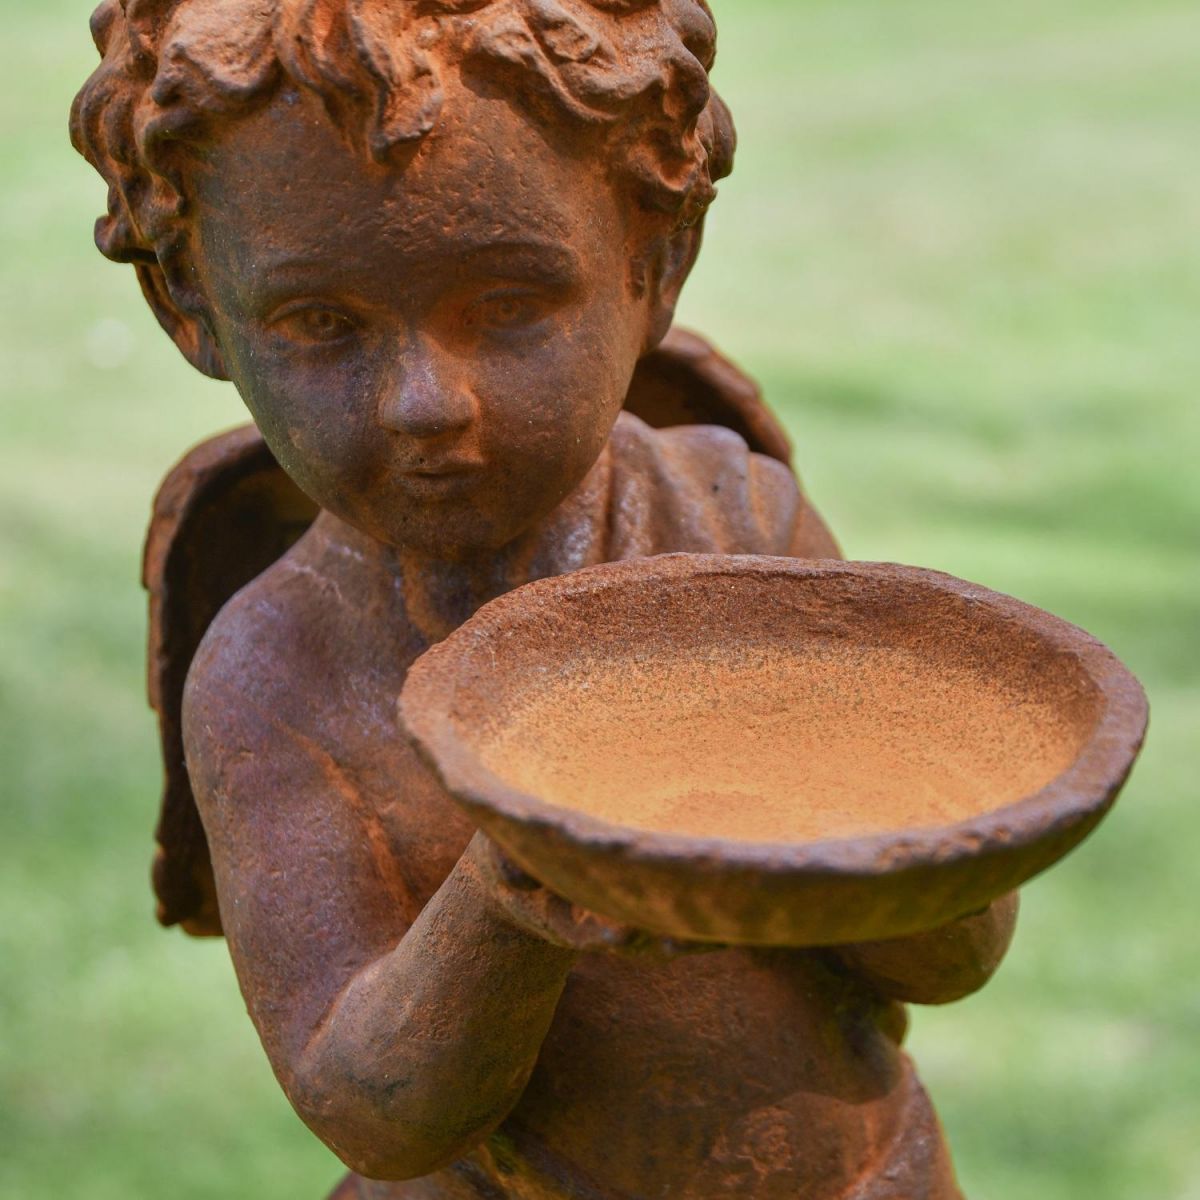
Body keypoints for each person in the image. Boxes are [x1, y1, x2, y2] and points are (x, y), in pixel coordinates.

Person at [71, 3, 1017, 1196]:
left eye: (511, 305)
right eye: (322, 323)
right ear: (193, 311)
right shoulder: (278, 668)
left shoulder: (736, 527)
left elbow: (953, 955)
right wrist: (506, 900)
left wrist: (857, 809)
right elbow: (374, 1113)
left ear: (653, 264)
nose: (425, 401)